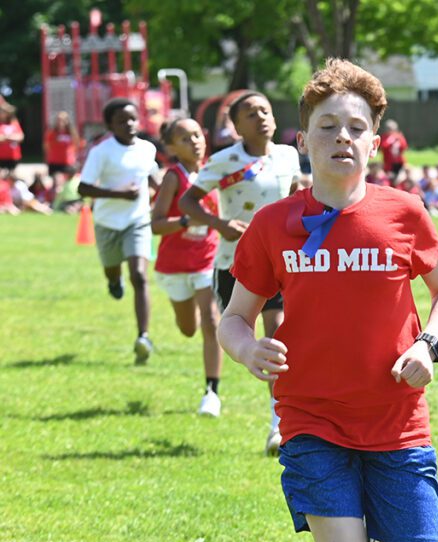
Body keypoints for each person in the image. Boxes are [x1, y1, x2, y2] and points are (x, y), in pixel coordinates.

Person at [217, 58, 438, 542]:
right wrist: (247, 350)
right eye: (327, 126)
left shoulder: (404, 211)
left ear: (375, 141)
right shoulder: (275, 225)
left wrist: (428, 345)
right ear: (304, 140)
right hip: (311, 419)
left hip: (397, 421)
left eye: (355, 126)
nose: (341, 138)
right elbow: (233, 316)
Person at [179, 90, 301, 454]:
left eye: (265, 110)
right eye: (250, 113)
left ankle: (278, 426)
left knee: (276, 338)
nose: (261, 116)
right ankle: (213, 390)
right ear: (235, 126)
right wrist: (219, 223)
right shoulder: (223, 161)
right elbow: (188, 201)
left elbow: (293, 195)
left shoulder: (288, 154)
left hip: (280, 262)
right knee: (237, 337)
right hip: (234, 263)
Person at [78, 98, 161, 364]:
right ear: (110, 125)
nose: (129, 124)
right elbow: (84, 188)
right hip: (106, 223)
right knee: (113, 269)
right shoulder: (101, 151)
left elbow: (153, 177)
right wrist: (118, 194)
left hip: (137, 220)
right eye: (122, 120)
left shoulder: (147, 148)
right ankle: (113, 280)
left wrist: (163, 190)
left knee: (139, 275)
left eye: (133, 118)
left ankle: (143, 337)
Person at [151, 117, 224, 417]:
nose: (194, 141)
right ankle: (189, 309)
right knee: (188, 328)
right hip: (174, 265)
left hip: (208, 258)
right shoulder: (173, 177)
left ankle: (211, 394)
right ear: (171, 147)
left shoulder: (215, 172)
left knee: (211, 320)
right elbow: (155, 225)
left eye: (197, 134)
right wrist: (184, 221)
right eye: (184, 138)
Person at [44, 111, 80, 194]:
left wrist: (73, 155)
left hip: (68, 162)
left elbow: (76, 144)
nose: (61, 122)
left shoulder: (71, 133)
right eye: (59, 120)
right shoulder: (52, 133)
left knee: (68, 183)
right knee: (57, 183)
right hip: (55, 161)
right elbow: (47, 146)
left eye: (63, 120)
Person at [0, 102, 24, 174]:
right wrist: (11, 137)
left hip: (14, 156)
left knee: (12, 176)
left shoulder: (14, 123)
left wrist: (6, 137)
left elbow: (20, 137)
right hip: (1, 156)